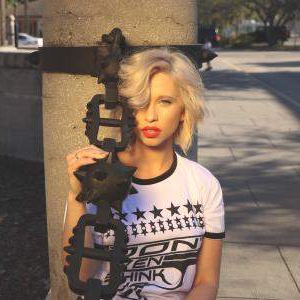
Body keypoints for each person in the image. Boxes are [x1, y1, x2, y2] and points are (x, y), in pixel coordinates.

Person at [62, 48, 225, 300]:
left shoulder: (203, 184)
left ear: (183, 110)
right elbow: (81, 275)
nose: (150, 115)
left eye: (165, 101)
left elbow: (206, 282)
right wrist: (76, 197)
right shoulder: (97, 176)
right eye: (141, 102)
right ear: (128, 109)